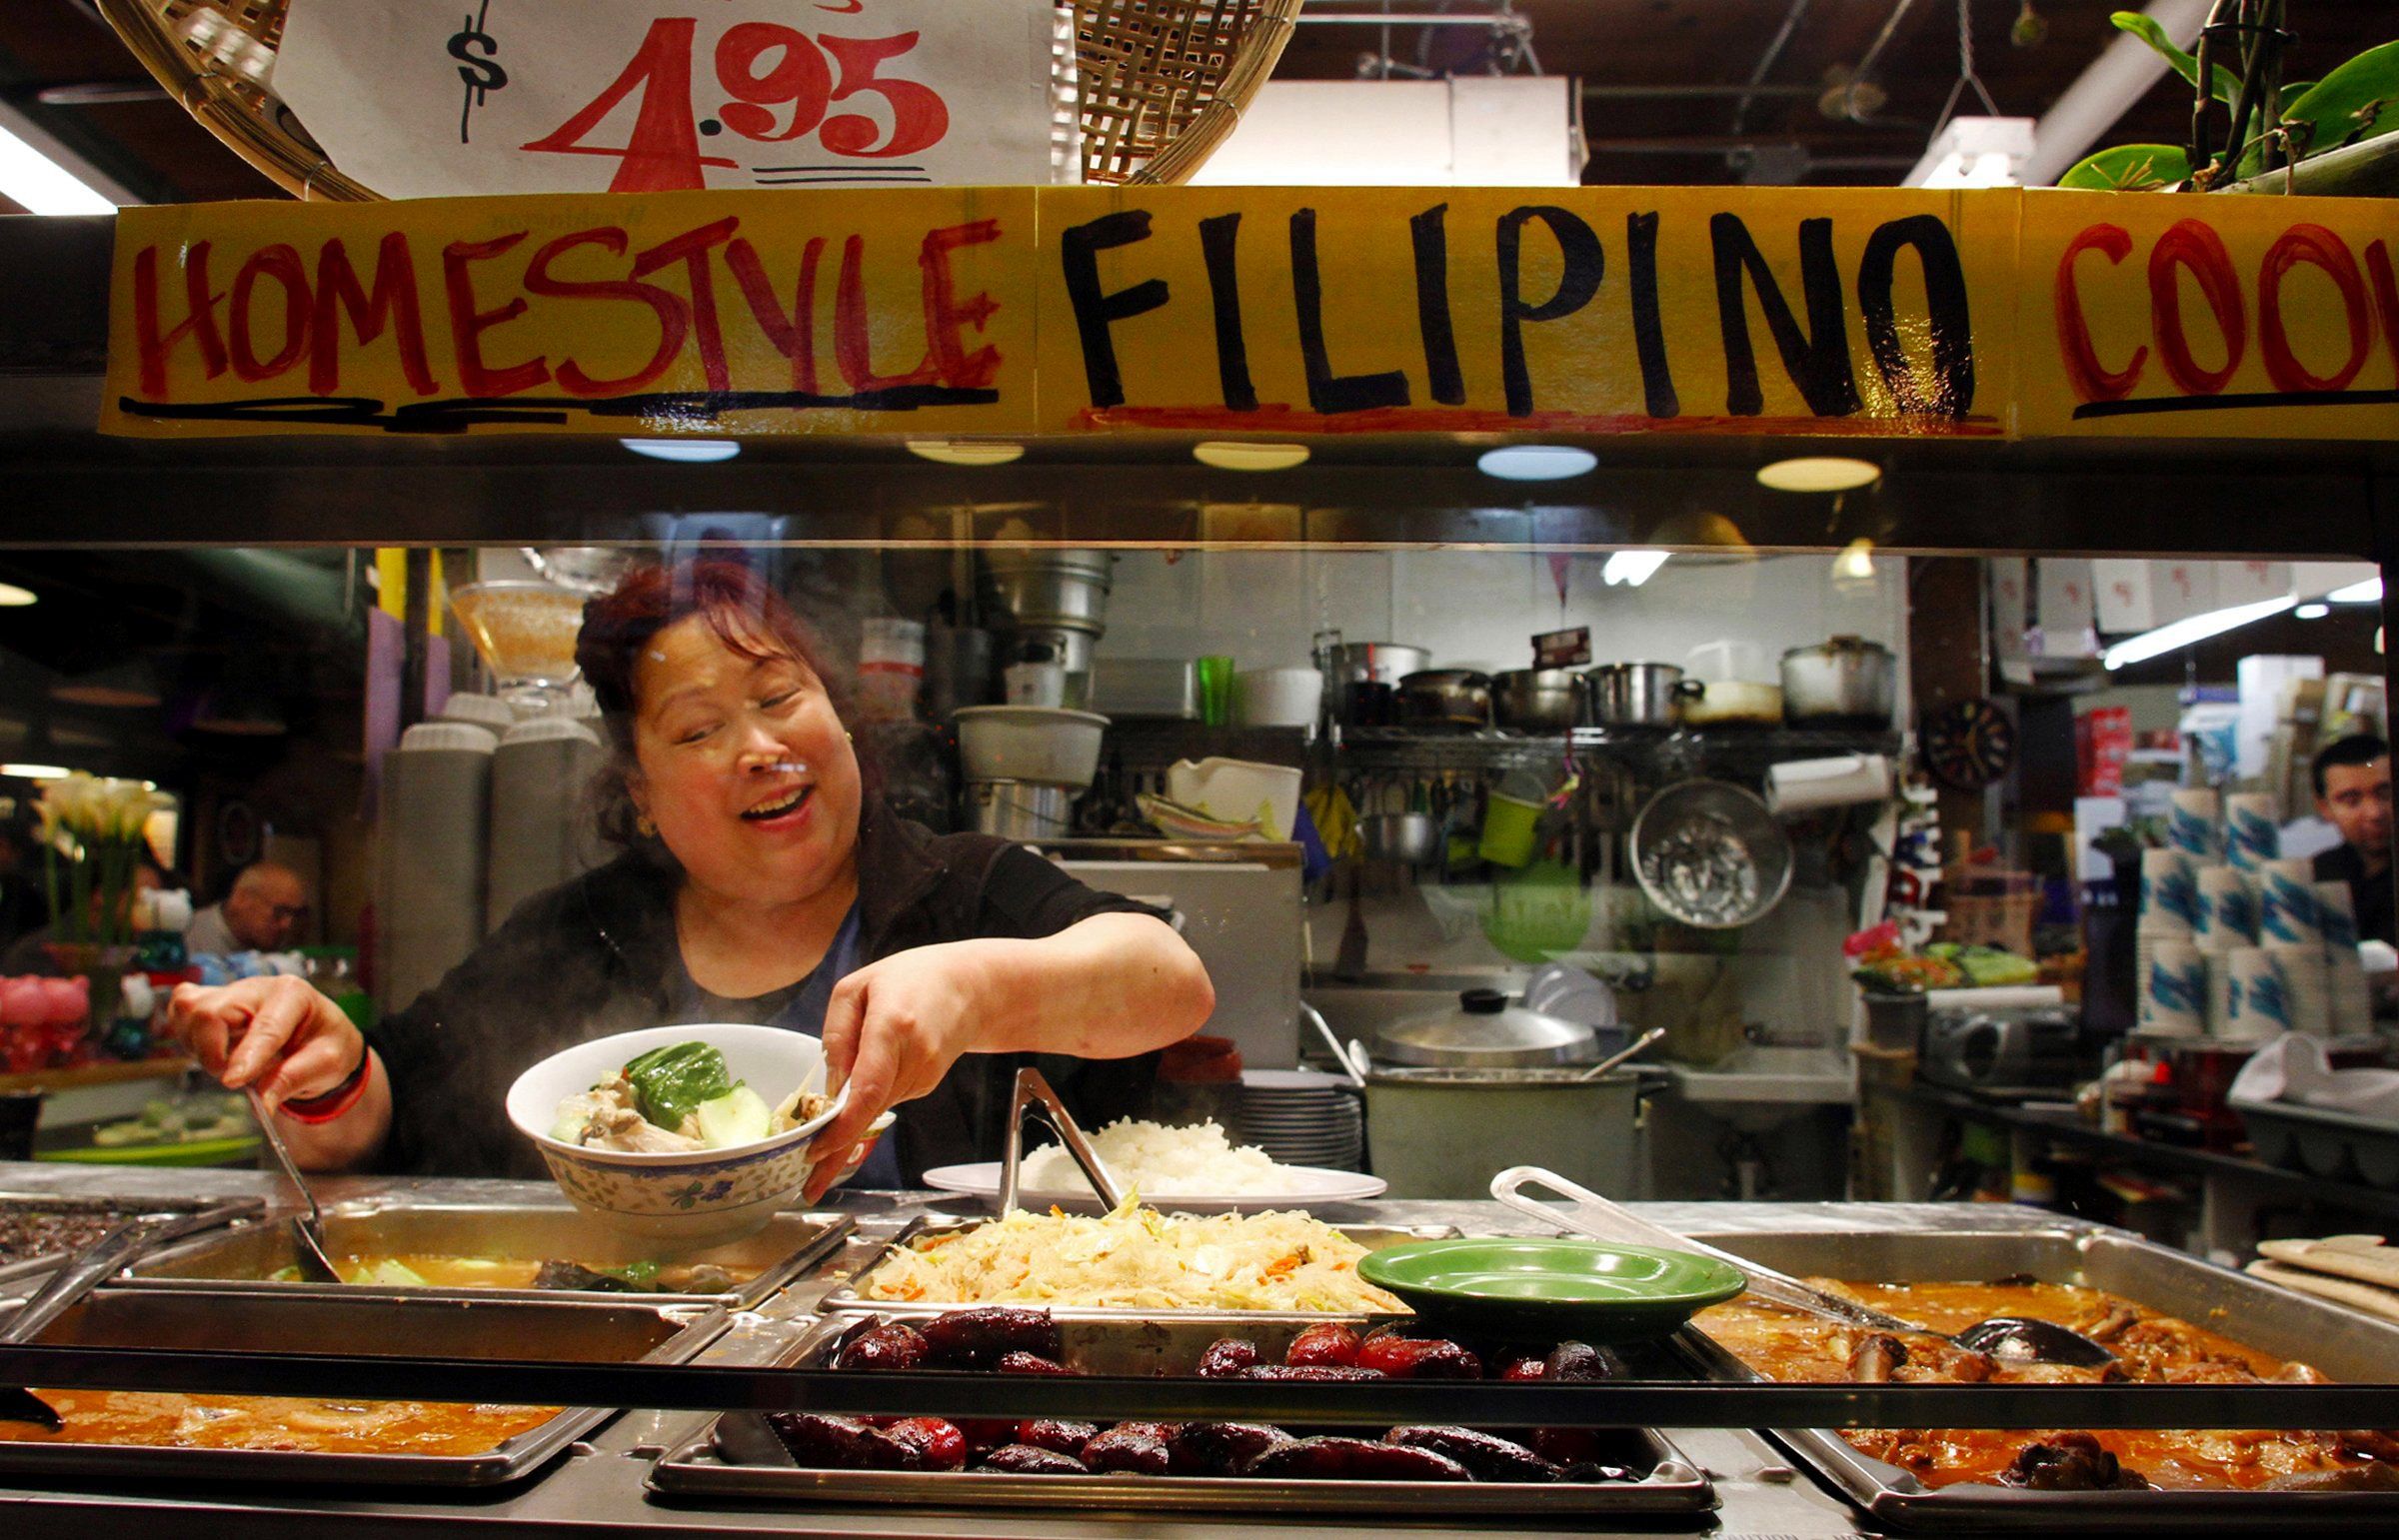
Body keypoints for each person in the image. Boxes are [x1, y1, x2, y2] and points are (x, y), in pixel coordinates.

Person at [165, 560, 1213, 1198]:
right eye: (701, 729)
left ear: (839, 714)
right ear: (644, 791)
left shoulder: (965, 889)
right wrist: (323, 1061)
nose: (760, 747)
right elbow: (391, 1112)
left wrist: (971, 988)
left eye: (779, 696)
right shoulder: (584, 934)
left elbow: (1168, 980)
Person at [0, 858, 164, 975]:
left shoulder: (138, 949)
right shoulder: (43, 952)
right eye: (143, 901)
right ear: (103, 895)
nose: (153, 912)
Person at [2311, 734, 2394, 947]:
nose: (2375, 813)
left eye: (2385, 794)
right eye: (2352, 801)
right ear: (2324, 808)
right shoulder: (2319, 875)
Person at [185, 860, 311, 955]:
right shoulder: (188, 937)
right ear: (241, 899)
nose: (286, 925)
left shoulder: (274, 948)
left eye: (294, 914)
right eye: (279, 912)